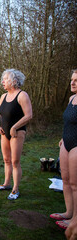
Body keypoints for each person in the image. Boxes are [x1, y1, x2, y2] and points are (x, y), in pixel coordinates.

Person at [0, 69, 32, 200]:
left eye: (5, 79)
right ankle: (6, 184)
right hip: (4, 132)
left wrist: (15, 127)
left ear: (14, 81)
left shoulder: (22, 95)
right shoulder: (3, 97)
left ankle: (15, 189)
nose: (2, 82)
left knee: (15, 161)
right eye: (2, 79)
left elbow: (29, 115)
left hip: (17, 132)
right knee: (6, 160)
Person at [51, 69, 77, 230]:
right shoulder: (71, 98)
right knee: (66, 180)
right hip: (66, 143)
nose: (72, 83)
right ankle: (69, 212)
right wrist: (62, 138)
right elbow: (68, 122)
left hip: (76, 145)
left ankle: (75, 220)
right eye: (72, 80)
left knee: (75, 184)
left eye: (76, 80)